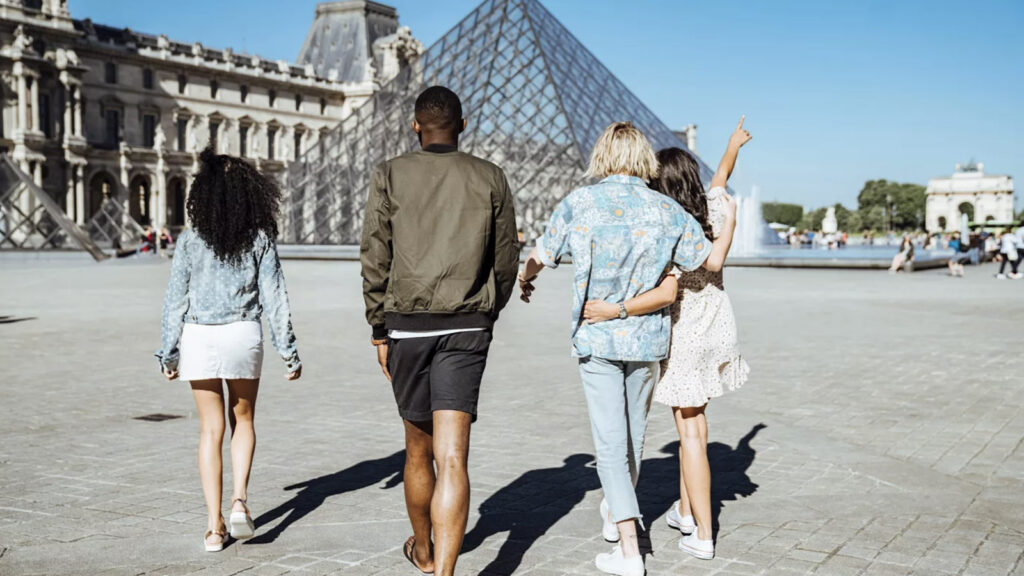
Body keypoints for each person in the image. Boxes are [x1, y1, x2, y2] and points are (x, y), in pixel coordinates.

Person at [518, 120, 741, 576]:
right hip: (648, 339)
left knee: (609, 442)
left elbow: (541, 253)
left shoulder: (579, 203)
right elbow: (708, 261)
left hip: (598, 337)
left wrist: (526, 278)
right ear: (642, 157)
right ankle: (616, 511)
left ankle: (628, 547)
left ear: (603, 154)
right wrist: (729, 218)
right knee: (631, 439)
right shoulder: (666, 209)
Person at [360, 86, 519, 576]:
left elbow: (374, 254)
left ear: (415, 125)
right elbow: (507, 257)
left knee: (417, 451)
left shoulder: (389, 173)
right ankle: (446, 574)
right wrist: (488, 310)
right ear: (462, 123)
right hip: (468, 325)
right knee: (453, 457)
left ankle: (425, 553)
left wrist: (378, 327)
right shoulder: (490, 176)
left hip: (407, 327)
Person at [579, 121, 751, 561]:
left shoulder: (666, 221)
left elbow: (687, 274)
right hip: (719, 326)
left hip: (685, 330)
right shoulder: (714, 208)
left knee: (690, 432)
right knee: (692, 422)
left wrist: (609, 309)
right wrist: (731, 147)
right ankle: (685, 511)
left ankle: (702, 534)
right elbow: (721, 181)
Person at [156, 147, 302, 553]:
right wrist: (288, 351)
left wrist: (168, 353)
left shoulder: (189, 240)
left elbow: (174, 300)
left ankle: (213, 526)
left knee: (209, 430)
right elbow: (276, 298)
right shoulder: (260, 238)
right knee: (244, 421)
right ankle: (239, 500)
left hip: (199, 336)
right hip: (242, 334)